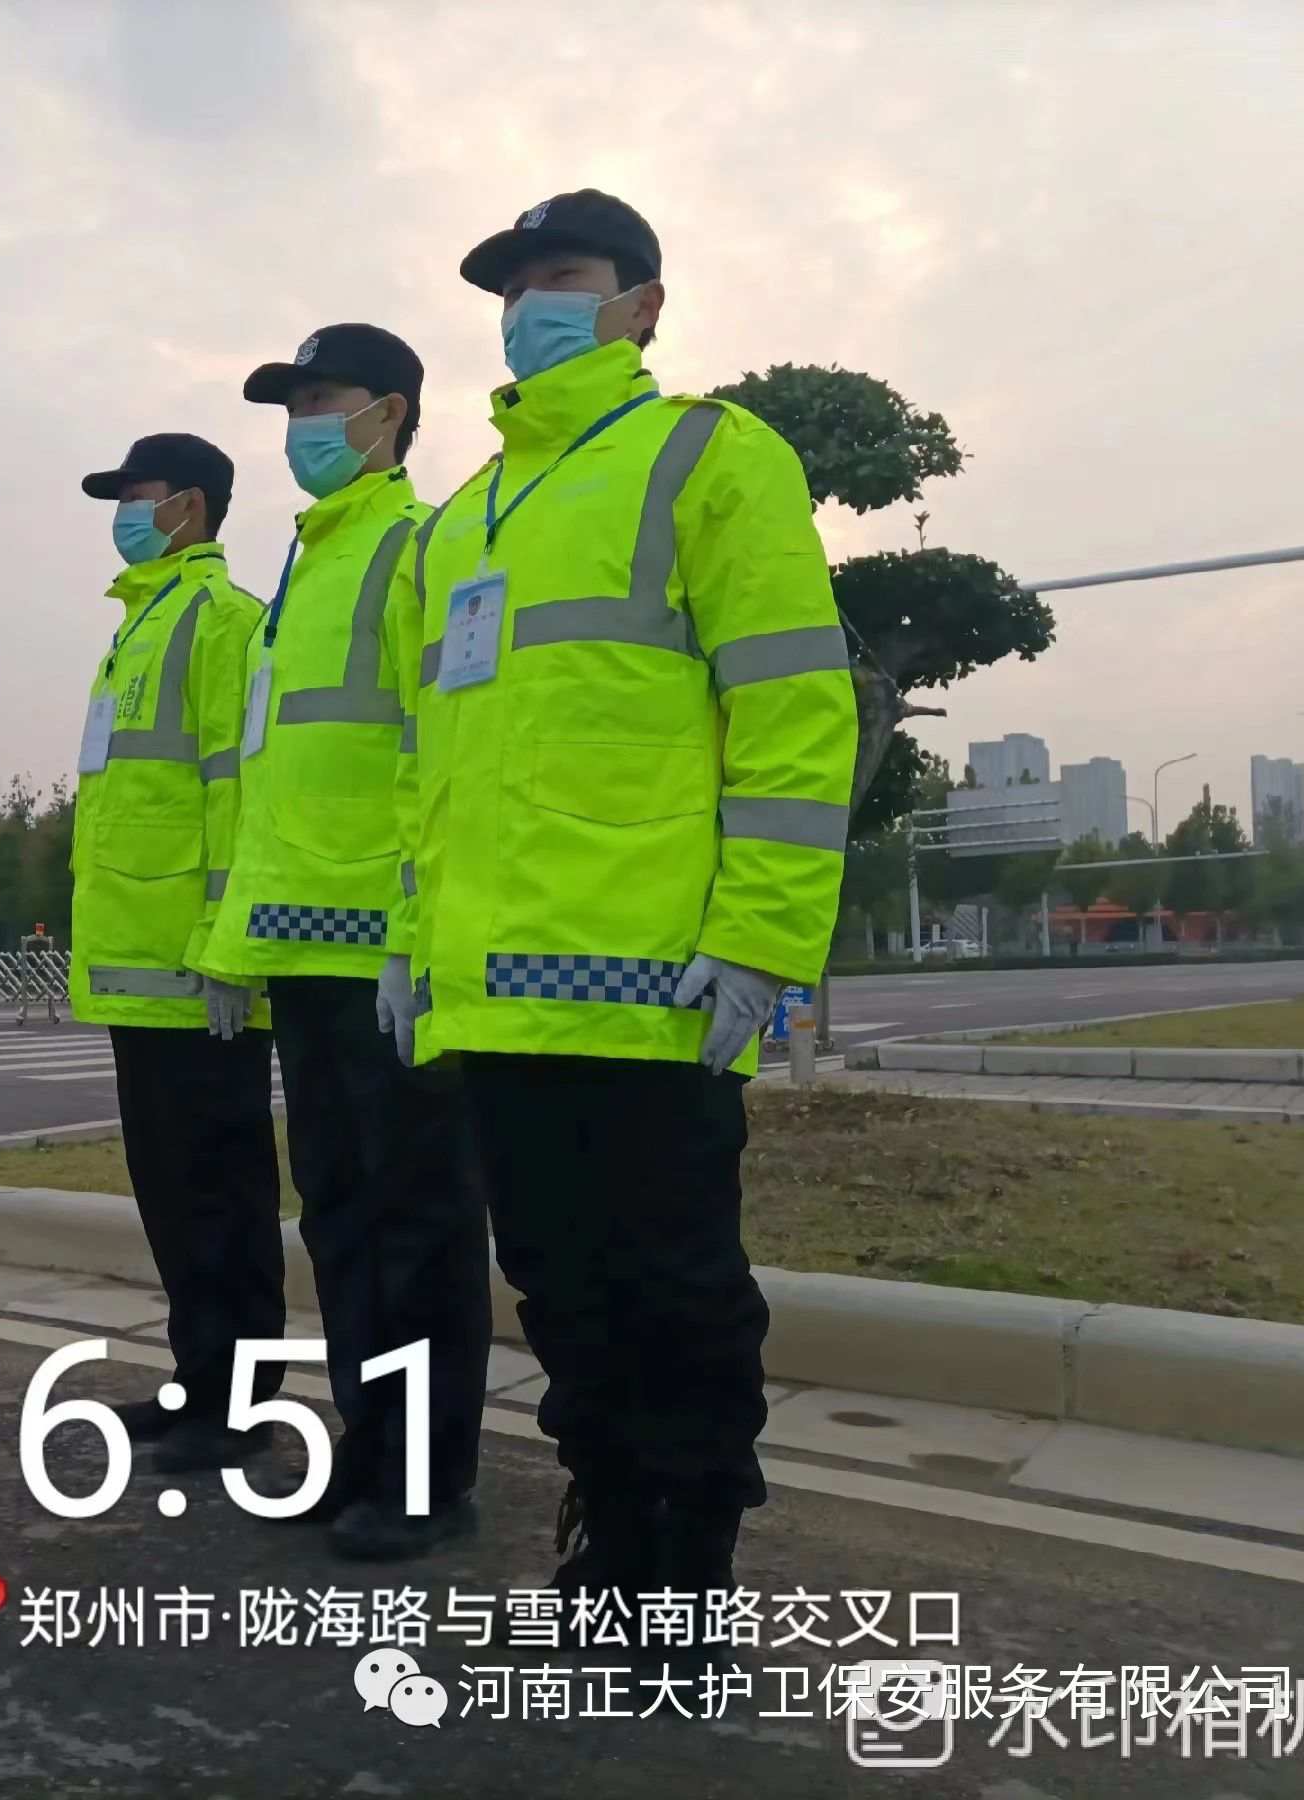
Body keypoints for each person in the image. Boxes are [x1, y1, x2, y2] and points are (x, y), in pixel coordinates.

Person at [385, 192, 857, 1629]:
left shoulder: (706, 456)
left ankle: (685, 1573)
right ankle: (606, 1529)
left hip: (656, 992)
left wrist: (760, 940)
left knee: (679, 1297)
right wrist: (409, 942)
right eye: (514, 284)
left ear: (642, 304)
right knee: (562, 1297)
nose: (532, 304)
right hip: (495, 1000)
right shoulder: (461, 519)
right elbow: (429, 770)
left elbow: (792, 710)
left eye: (565, 275)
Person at [192, 325, 492, 1561]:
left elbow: (441, 752)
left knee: (419, 1223)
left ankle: (425, 1477)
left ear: (392, 414)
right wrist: (234, 945)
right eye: (292, 405)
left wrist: (418, 941)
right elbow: (272, 787)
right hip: (307, 961)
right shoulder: (302, 574)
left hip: (388, 958)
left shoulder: (420, 547)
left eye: (324, 400)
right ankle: (369, 1449)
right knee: (341, 1218)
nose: (302, 425)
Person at [72, 432, 286, 1475]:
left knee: (221, 1196)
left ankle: (239, 1405)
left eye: (137, 495)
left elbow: (237, 796)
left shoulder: (221, 622)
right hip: (140, 973)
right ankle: (199, 1380)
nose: (122, 513)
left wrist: (225, 949)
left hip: (200, 979)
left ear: (189, 507)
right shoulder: (141, 626)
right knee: (172, 1196)